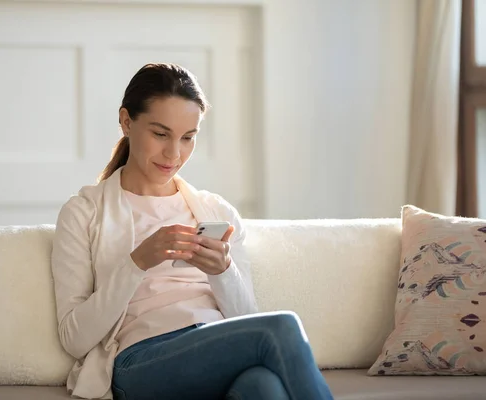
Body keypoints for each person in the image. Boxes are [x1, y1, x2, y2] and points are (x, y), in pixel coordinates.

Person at [51, 63, 334, 400]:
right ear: (127, 121)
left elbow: (245, 320)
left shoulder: (217, 211)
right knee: (282, 328)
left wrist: (223, 272)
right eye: (160, 134)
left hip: (215, 344)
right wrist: (137, 263)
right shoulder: (84, 212)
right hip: (141, 360)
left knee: (263, 387)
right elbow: (74, 338)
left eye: (188, 138)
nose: (174, 153)